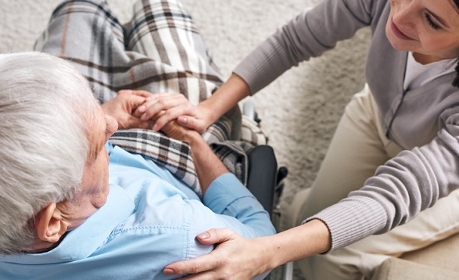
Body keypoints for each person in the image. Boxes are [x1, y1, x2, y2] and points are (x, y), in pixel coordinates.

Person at [135, 0, 459, 279]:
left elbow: (399, 191)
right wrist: (207, 110)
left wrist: (269, 253)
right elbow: (295, 40)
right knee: (301, 220)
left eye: (431, 19)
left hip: (445, 165)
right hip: (375, 112)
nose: (399, 16)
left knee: (330, 260)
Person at [0, 0, 277, 279]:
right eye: (97, 148)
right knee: (159, 8)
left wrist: (92, 119)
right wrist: (194, 142)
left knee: (79, 9)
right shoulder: (180, 235)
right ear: (52, 222)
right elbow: (260, 243)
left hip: (80, 154)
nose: (112, 125)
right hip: (180, 160)